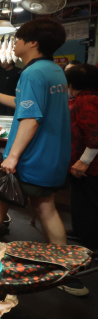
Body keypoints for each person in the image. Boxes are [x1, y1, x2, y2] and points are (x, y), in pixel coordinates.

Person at [0, 19, 70, 248]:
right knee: (45, 207)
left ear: (33, 42)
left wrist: (13, 155)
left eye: (19, 38)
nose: (15, 43)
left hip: (31, 156)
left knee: (0, 201)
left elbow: (31, 117)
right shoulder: (55, 71)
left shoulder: (32, 73)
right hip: (51, 155)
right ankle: (66, 267)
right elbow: (21, 103)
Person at [65, 64, 98, 252]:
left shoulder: (87, 100)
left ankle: (92, 245)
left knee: (90, 203)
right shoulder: (85, 98)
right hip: (81, 162)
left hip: (90, 166)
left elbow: (95, 135)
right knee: (80, 201)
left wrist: (84, 161)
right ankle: (81, 232)